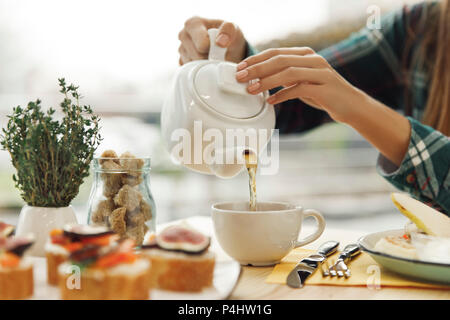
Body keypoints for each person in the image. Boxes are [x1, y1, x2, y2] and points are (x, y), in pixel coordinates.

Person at [177, 1, 450, 216]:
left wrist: (358, 107)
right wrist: (237, 66)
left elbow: (339, 94)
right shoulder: (420, 28)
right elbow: (292, 102)